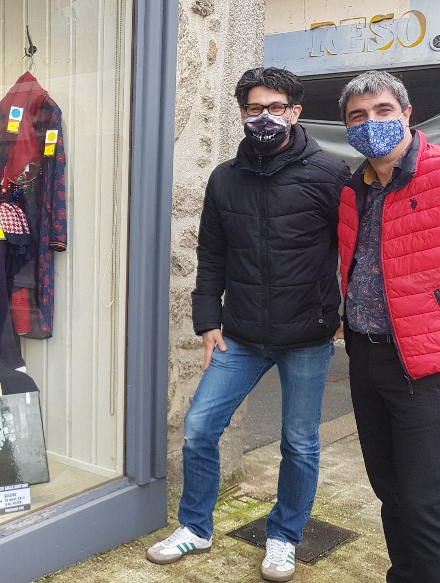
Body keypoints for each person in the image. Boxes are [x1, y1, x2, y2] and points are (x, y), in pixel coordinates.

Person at [146, 67, 349, 582]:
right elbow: (211, 254)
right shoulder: (224, 178)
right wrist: (207, 320)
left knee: (299, 442)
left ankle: (284, 536)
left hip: (307, 336)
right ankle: (196, 527)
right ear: (241, 113)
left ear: (295, 112)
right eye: (255, 108)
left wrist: (344, 314)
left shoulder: (329, 174)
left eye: (276, 107)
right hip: (240, 335)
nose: (265, 117)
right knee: (199, 428)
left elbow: (355, 250)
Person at [337, 70, 440, 583]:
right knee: (389, 488)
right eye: (357, 116)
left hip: (423, 365)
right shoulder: (352, 190)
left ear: (407, 114)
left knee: (424, 499)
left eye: (382, 111)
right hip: (365, 355)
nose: (370, 122)